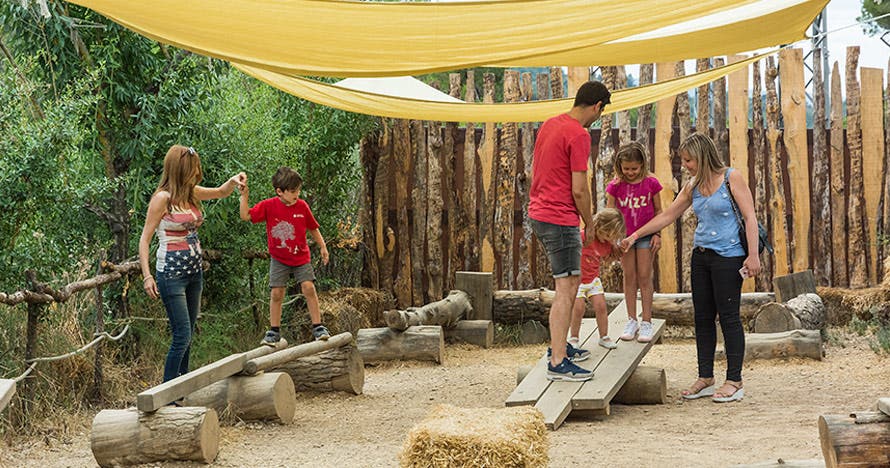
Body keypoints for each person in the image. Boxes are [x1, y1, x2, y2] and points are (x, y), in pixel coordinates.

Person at [619, 133, 760, 403]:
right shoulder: (692, 186)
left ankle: (734, 380)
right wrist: (635, 236)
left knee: (729, 316)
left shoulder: (732, 178)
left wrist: (752, 255)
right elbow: (668, 215)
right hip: (701, 255)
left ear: (703, 156)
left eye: (689, 160)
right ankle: (705, 377)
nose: (685, 165)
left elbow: (750, 215)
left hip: (729, 256)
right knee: (702, 317)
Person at [139, 145, 246, 383]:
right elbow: (145, 239)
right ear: (179, 170)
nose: (196, 173)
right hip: (171, 274)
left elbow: (219, 192)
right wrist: (147, 276)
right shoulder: (162, 199)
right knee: (182, 334)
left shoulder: (191, 193)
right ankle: (167, 391)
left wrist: (233, 182)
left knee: (189, 335)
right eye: (192, 169)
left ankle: (182, 385)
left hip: (194, 273)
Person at [529, 80, 611, 382]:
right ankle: (558, 361)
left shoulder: (551, 124)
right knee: (567, 288)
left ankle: (560, 347)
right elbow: (579, 189)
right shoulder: (579, 135)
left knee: (570, 284)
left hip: (539, 211)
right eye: (600, 113)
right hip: (560, 217)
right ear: (597, 106)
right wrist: (589, 223)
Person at [239, 166, 331, 346]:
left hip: (300, 257)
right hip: (279, 258)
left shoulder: (302, 206)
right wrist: (244, 196)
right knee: (277, 293)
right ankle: (274, 331)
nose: (297, 193)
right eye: (293, 191)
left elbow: (313, 227)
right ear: (279, 192)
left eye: (298, 190)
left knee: (308, 288)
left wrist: (323, 246)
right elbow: (245, 216)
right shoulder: (268, 206)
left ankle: (318, 327)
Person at [605, 142, 663, 343]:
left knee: (645, 276)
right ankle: (631, 320)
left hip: (646, 236)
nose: (629, 172)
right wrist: (613, 239)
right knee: (629, 277)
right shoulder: (615, 186)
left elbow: (659, 212)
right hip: (623, 237)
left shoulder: (651, 184)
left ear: (642, 165)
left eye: (634, 168)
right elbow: (610, 213)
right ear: (619, 166)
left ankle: (646, 321)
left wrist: (657, 234)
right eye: (626, 168)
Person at [570, 208, 625, 350]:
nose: (607, 238)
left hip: (593, 280)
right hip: (577, 281)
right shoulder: (584, 237)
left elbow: (607, 258)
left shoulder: (606, 244)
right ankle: (574, 338)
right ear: (598, 226)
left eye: (611, 237)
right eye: (606, 234)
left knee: (601, 307)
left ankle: (604, 336)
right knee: (578, 308)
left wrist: (615, 248)